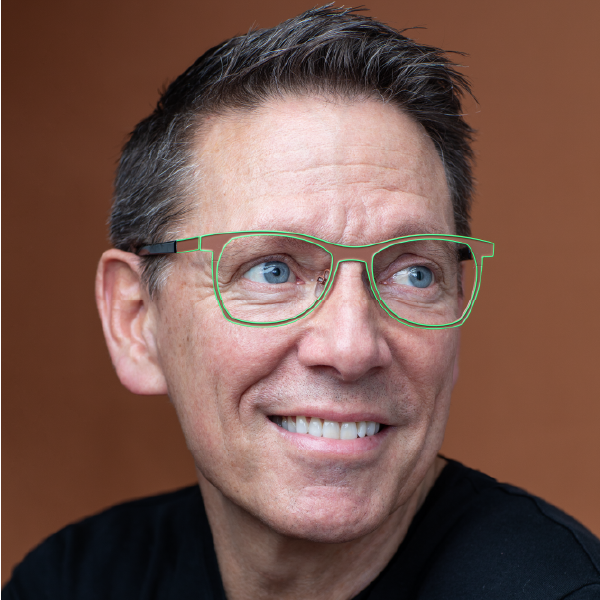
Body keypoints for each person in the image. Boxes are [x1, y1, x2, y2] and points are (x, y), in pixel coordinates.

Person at [3, 6, 599, 600]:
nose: (351, 348)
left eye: (414, 275)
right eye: (272, 270)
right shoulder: (71, 583)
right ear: (137, 321)